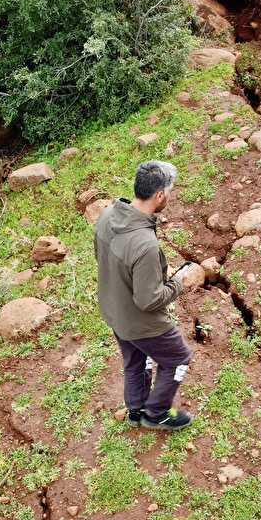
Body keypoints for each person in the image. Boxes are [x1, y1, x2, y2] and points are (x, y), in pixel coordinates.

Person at [93, 160, 197, 430]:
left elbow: (109, 260)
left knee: (135, 360)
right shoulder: (145, 244)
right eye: (170, 192)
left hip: (114, 311)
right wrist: (177, 282)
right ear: (159, 195)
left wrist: (156, 271)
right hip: (142, 323)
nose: (170, 196)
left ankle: (136, 410)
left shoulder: (106, 217)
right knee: (178, 358)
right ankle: (156, 413)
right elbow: (149, 300)